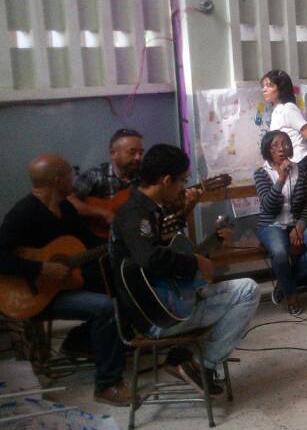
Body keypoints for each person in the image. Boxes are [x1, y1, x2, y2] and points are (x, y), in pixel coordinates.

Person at [110, 145, 259, 395]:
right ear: (166, 180)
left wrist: (207, 247)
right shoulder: (136, 215)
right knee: (248, 291)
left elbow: (169, 252)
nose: (183, 188)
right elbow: (150, 258)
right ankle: (202, 365)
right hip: (156, 319)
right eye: (182, 181)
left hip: (163, 306)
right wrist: (194, 263)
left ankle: (184, 357)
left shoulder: (146, 208)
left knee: (231, 290)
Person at [0, 155, 129, 406]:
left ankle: (80, 342)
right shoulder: (24, 212)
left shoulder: (66, 209)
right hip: (34, 296)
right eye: (70, 174)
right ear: (58, 180)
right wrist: (40, 268)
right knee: (105, 307)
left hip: (62, 286)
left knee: (121, 288)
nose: (74, 178)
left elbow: (89, 244)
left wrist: (121, 242)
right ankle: (107, 385)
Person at [253, 131, 307, 315]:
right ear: (268, 150)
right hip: (271, 224)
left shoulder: (300, 170)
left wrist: (300, 225)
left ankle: (286, 283)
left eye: (285, 144)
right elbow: (268, 207)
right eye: (275, 145)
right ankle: (291, 297)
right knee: (280, 252)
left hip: (295, 222)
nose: (281, 149)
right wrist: (281, 178)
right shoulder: (261, 173)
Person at [69, 128, 145, 229]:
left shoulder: (144, 179)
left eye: (141, 153)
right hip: (98, 234)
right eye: (132, 152)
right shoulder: (95, 175)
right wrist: (103, 213)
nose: (138, 157)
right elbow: (70, 201)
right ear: (113, 153)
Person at [261, 70, 307, 176]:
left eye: (269, 86)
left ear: (280, 89)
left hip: (300, 163)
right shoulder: (277, 111)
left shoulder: (288, 109)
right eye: (263, 86)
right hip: (290, 164)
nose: (264, 89)